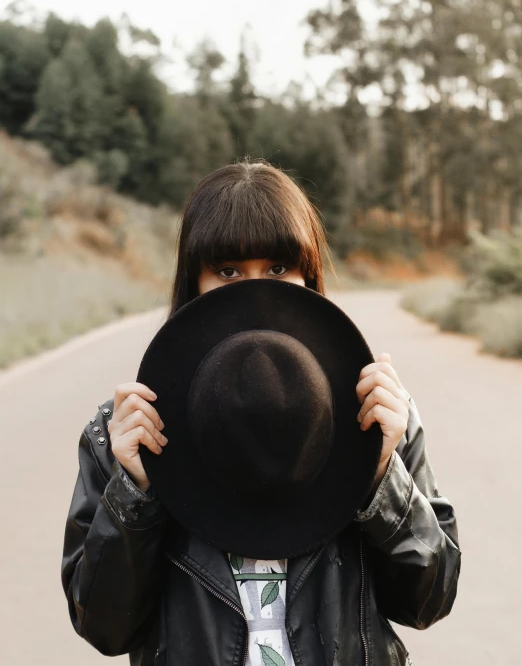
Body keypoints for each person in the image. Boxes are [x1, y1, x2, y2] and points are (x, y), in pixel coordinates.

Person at [61, 158, 461, 666]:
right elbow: (104, 628)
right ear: (195, 283)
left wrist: (383, 476)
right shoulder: (122, 433)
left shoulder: (379, 417)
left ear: (309, 275)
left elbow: (429, 601)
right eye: (228, 271)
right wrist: (134, 495)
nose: (257, 289)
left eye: (278, 268)